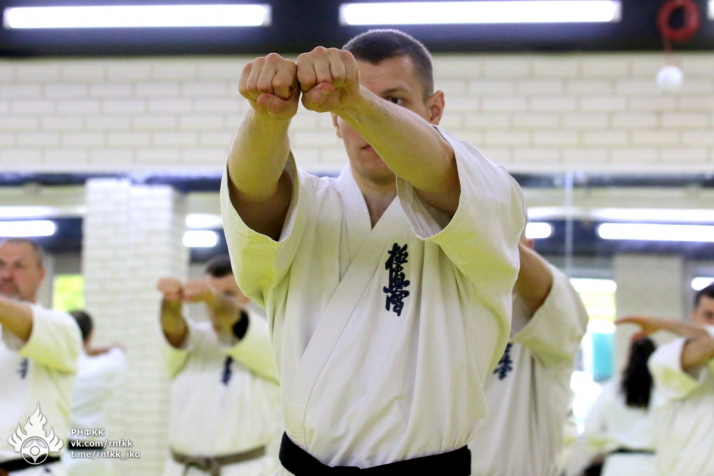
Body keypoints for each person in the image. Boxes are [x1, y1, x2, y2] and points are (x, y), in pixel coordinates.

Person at [221, 29, 525, 474]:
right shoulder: (307, 206)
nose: (366, 119)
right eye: (349, 106)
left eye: (394, 100)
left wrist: (355, 100)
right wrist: (266, 116)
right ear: (334, 121)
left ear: (434, 109)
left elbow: (439, 171)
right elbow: (252, 192)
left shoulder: (489, 196)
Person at [468, 234, 588, 476]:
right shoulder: (444, 302)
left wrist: (483, 231)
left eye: (511, 230)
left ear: (529, 246)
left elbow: (544, 295)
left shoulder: (550, 304)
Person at [157, 255, 279, 476]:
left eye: (228, 294)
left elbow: (233, 317)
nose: (212, 302)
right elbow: (173, 328)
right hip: (182, 468)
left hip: (243, 470)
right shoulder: (195, 336)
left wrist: (211, 296)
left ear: (247, 295)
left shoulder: (268, 339)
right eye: (210, 291)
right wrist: (171, 300)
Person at [0, 238, 82, 475]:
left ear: (41, 274)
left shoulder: (61, 325)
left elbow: (26, 323)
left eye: (19, 266)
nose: (6, 275)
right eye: (1, 265)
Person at [616, 283, 714, 476]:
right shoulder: (668, 355)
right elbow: (704, 347)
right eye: (709, 316)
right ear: (693, 316)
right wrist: (669, 325)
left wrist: (667, 324)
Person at [61, 310, 127, 476]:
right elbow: (119, 351)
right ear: (90, 335)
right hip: (95, 459)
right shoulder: (102, 369)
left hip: (60, 458)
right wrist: (93, 349)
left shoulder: (51, 368)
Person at [583, 337, 657, 476]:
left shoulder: (610, 390)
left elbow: (592, 428)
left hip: (619, 466)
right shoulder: (665, 392)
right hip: (656, 465)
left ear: (628, 354)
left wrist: (602, 447)